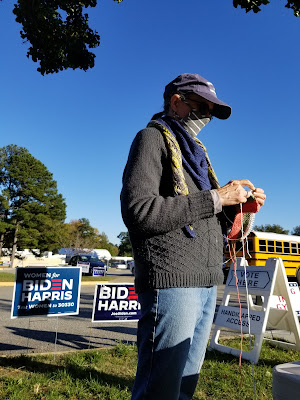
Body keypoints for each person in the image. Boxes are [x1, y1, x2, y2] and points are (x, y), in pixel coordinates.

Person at [120, 73, 266, 400]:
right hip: (172, 280)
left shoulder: (197, 155)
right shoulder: (151, 139)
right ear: (176, 101)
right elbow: (139, 211)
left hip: (205, 280)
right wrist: (217, 197)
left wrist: (244, 207)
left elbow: (218, 226)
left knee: (185, 387)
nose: (208, 116)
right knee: (160, 388)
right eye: (203, 106)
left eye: (213, 110)